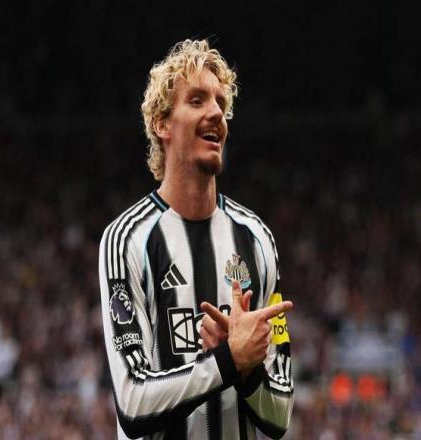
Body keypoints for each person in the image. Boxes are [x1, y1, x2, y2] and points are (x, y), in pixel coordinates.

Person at [98, 39, 294, 440]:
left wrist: (248, 372)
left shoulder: (257, 239)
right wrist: (228, 361)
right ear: (162, 124)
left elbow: (281, 413)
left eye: (221, 103)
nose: (217, 113)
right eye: (197, 100)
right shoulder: (127, 240)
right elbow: (132, 402)